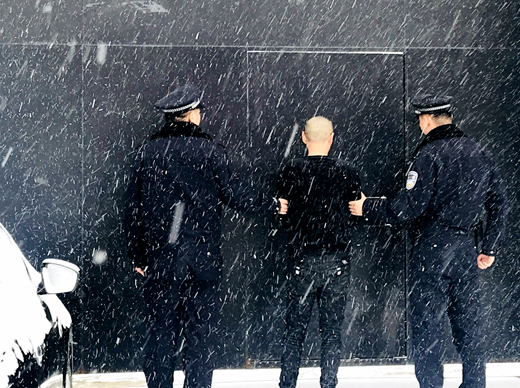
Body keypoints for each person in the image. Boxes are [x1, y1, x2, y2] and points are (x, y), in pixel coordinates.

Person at [124, 81, 282, 388]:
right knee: (200, 339)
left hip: (161, 262)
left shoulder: (146, 153)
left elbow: (132, 209)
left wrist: (138, 255)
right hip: (202, 262)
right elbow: (237, 194)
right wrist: (273, 205)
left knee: (160, 337)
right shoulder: (211, 152)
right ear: (192, 114)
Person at [349, 95, 509, 388]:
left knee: (427, 327)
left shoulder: (428, 155)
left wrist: (368, 207)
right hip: (466, 249)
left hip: (432, 248)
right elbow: (499, 203)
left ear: (425, 120)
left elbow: (410, 206)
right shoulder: (480, 152)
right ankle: (475, 384)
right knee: (469, 327)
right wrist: (489, 247)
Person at [276, 116, 361, 388]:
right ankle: (328, 383)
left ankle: (287, 384)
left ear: (303, 137)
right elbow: (355, 212)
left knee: (294, 333)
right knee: (332, 334)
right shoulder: (347, 172)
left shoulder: (290, 170)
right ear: (331, 138)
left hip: (301, 261)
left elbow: (283, 214)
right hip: (336, 262)